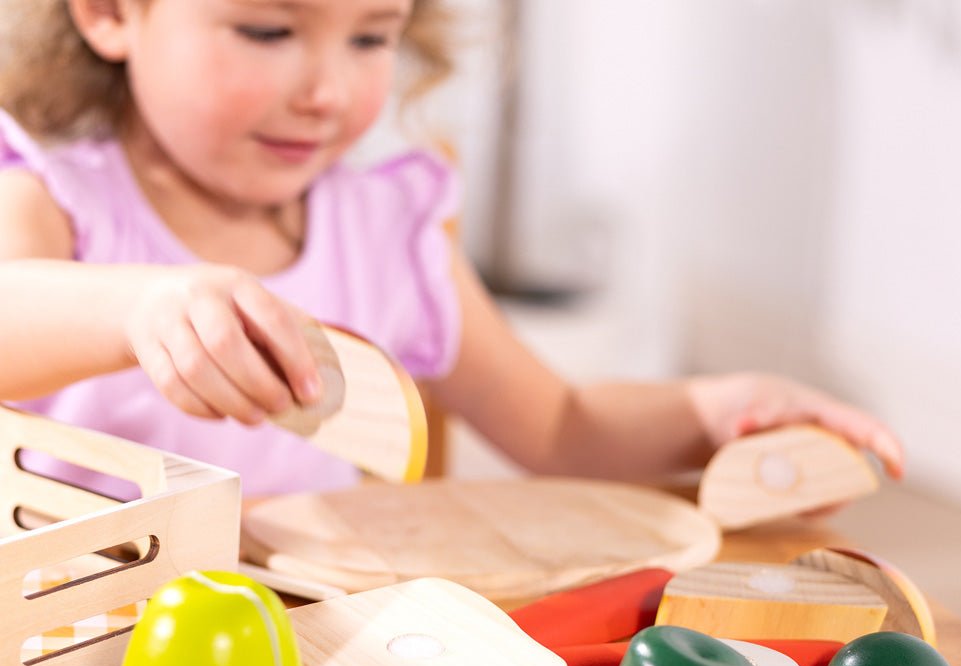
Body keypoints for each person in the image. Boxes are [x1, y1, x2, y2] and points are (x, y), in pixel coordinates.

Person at [0, 0, 904, 499]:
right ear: (110, 12)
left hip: (295, 643)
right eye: (269, 30)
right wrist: (140, 306)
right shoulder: (55, 201)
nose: (326, 91)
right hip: (74, 649)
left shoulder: (388, 234)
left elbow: (560, 427)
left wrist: (715, 410)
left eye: (371, 37)